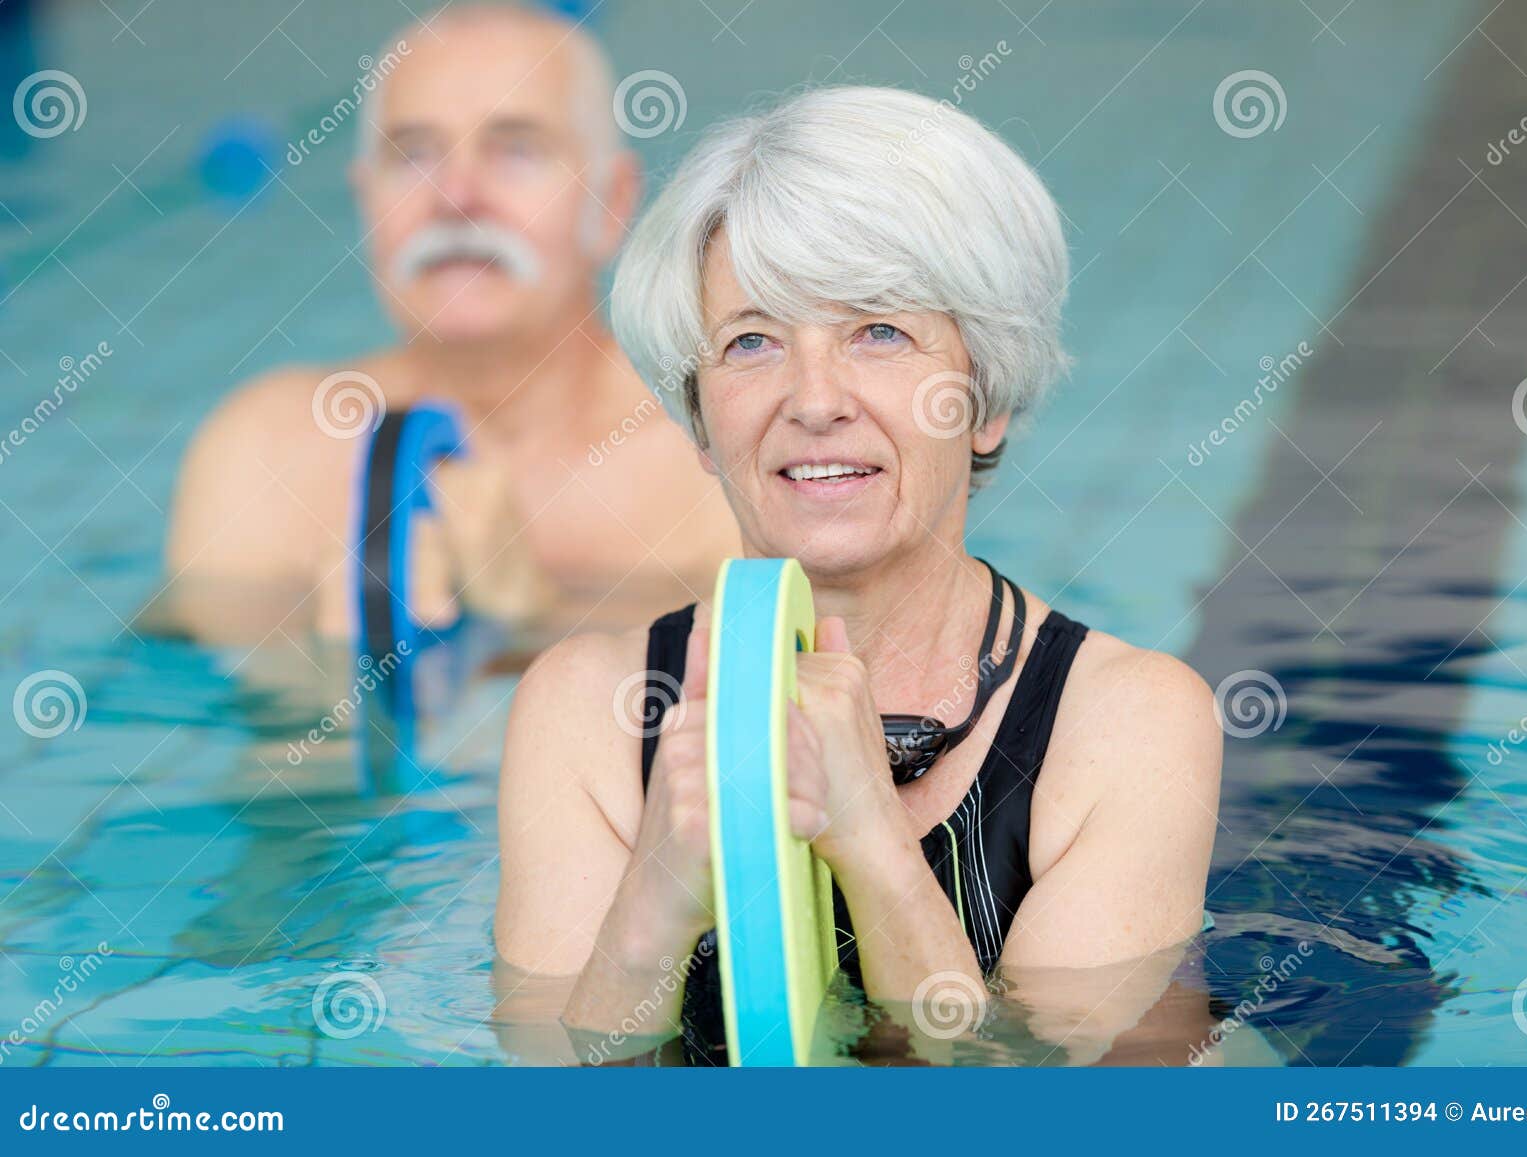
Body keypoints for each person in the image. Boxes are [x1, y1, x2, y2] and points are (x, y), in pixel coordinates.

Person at [493, 85, 1222, 1065]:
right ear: (702, 424)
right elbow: (533, 1094)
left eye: (878, 331)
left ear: (986, 398)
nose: (814, 399)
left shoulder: (1128, 724)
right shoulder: (590, 711)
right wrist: (657, 890)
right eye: (751, 340)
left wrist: (871, 839)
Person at [163, 4, 738, 643]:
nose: (455, 195)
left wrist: (525, 618)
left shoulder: (715, 464)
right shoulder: (264, 453)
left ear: (612, 204)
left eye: (517, 149)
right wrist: (339, 672)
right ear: (366, 204)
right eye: (413, 155)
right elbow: (219, 718)